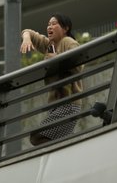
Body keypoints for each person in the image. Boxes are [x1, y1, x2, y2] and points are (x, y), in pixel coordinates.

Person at [20, 14, 83, 145]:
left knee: (37, 136)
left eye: (54, 23)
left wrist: (57, 58)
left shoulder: (68, 41)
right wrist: (26, 39)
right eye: (48, 24)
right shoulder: (50, 45)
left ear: (65, 28)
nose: (49, 26)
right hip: (57, 104)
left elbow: (79, 61)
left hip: (68, 102)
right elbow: (28, 32)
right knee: (58, 138)